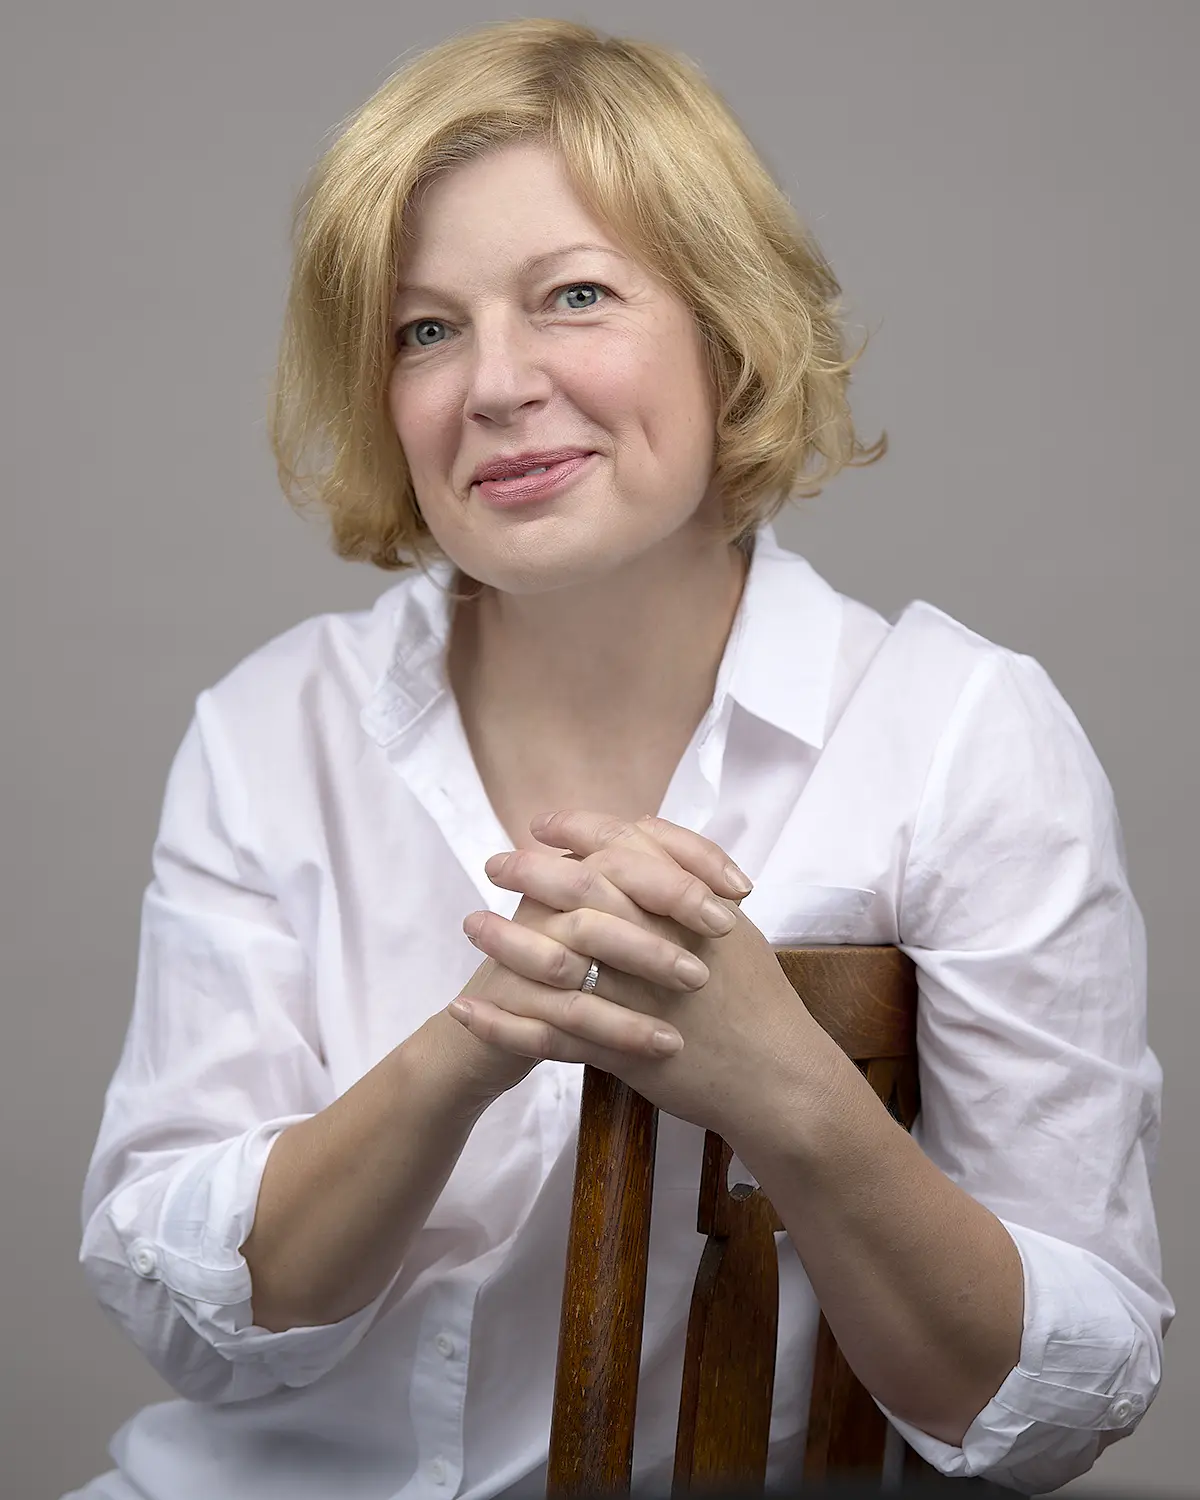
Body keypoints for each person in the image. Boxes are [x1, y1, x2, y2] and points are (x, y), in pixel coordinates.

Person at [66, 17, 1172, 1500]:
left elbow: (1056, 1407)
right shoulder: (271, 727)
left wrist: (791, 1092)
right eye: (425, 329)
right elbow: (193, 1321)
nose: (498, 386)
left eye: (574, 295)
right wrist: (465, 1048)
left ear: (728, 327)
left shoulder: (963, 734)